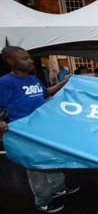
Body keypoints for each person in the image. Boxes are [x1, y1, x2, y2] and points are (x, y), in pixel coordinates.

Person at [0, 46, 79, 213]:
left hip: (42, 129)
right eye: (24, 58)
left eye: (29, 57)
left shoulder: (33, 79)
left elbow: (45, 93)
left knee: (51, 157)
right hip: (24, 132)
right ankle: (43, 200)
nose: (30, 61)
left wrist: (64, 83)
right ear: (10, 62)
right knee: (36, 166)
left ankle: (58, 187)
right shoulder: (6, 82)